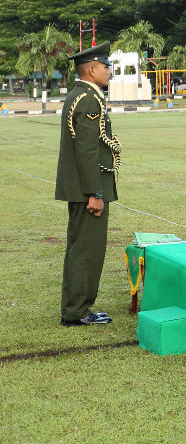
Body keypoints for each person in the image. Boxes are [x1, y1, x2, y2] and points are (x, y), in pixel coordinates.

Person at [55, 42, 121, 326]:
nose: (110, 70)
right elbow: (87, 150)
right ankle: (78, 312)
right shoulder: (89, 99)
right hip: (88, 190)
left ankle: (75, 308)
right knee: (87, 251)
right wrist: (95, 193)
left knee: (79, 247)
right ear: (92, 69)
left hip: (81, 188)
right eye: (106, 66)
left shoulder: (79, 95)